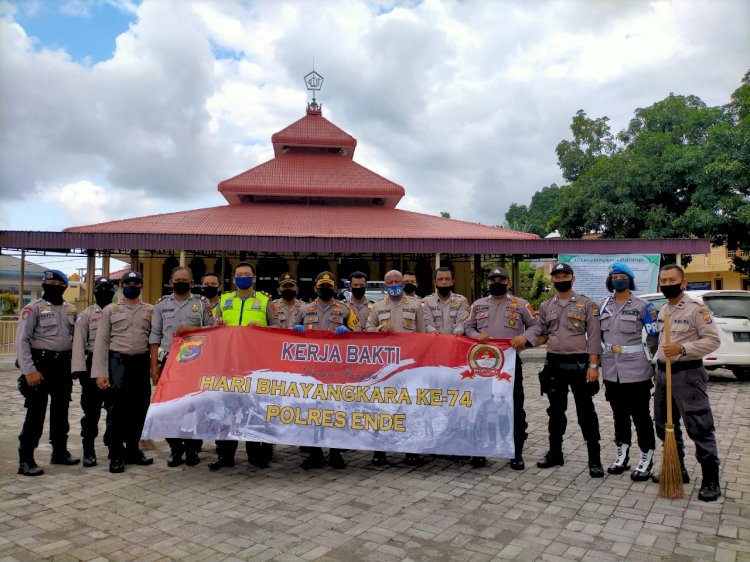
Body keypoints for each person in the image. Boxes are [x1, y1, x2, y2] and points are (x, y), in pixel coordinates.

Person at [511, 262, 604, 478]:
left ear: (573, 278)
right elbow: (543, 333)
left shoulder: (586, 304)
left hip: (579, 364)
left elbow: (595, 337)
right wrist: (526, 343)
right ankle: (555, 453)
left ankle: (595, 459)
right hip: (554, 363)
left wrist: (593, 366)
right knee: (555, 411)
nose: (560, 279)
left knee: (586, 412)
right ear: (551, 280)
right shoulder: (546, 306)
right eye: (557, 276)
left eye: (565, 276)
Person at [653, 264, 722, 502]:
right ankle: (677, 469)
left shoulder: (696, 309)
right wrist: (657, 367)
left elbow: (712, 340)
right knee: (664, 425)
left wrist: (682, 348)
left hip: (688, 375)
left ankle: (711, 480)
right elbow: (661, 344)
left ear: (683, 283)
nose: (667, 284)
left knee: (699, 427)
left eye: (672, 280)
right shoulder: (663, 309)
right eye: (663, 280)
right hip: (663, 375)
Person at [209, 262, 278, 471]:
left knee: (254, 408)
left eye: (247, 275)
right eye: (239, 275)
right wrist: (217, 325)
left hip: (256, 364)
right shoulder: (224, 300)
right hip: (228, 363)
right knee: (226, 409)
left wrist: (263, 329)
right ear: (233, 278)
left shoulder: (265, 301)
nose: (243, 278)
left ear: (254, 278)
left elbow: (278, 328)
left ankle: (257, 454)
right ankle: (225, 455)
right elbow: (213, 327)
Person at [466, 267, 537, 469]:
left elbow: (536, 326)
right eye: (493, 279)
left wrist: (524, 337)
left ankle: (515, 452)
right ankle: (480, 451)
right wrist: (475, 336)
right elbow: (468, 327)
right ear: (487, 283)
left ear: (508, 283)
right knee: (480, 406)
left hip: (510, 365)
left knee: (513, 407)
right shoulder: (478, 305)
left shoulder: (521, 305)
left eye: (501, 279)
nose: (497, 282)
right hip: (482, 366)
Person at [598, 262, 659, 481]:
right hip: (611, 370)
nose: (618, 280)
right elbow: (598, 338)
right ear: (610, 281)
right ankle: (622, 455)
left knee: (641, 416)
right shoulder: (603, 305)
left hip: (637, 370)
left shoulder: (644, 306)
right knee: (619, 415)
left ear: (630, 280)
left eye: (622, 276)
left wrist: (655, 366)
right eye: (614, 277)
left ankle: (646, 457)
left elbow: (654, 338)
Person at [15, 269, 80, 476]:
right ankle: (26, 459)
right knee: (36, 413)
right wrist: (29, 370)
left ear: (64, 287)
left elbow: (76, 340)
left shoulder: (71, 310)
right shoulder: (32, 309)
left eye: (55, 283)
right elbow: (22, 340)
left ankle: (59, 452)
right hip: (40, 366)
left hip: (63, 367)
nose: (50, 286)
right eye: (47, 282)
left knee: (61, 412)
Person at [294, 271, 361, 469]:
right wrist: (296, 331)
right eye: (322, 286)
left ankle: (335, 452)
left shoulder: (344, 309)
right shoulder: (305, 309)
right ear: (315, 288)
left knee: (336, 410)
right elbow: (289, 332)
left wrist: (347, 332)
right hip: (310, 370)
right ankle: (314, 453)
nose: (325, 289)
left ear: (334, 288)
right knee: (312, 411)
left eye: (329, 286)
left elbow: (359, 332)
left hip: (336, 370)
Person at [149, 266, 214, 468]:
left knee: (194, 407)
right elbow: (154, 337)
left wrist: (191, 330)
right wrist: (154, 367)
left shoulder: (201, 304)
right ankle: (175, 449)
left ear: (192, 283)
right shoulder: (161, 305)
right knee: (170, 408)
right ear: (170, 281)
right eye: (177, 280)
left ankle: (192, 449)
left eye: (184, 280)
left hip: (195, 361)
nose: (180, 283)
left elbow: (212, 330)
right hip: (169, 361)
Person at [92, 271, 155, 474]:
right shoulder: (111, 310)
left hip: (141, 364)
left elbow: (155, 340)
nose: (132, 285)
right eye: (128, 282)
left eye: (136, 283)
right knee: (117, 410)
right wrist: (100, 373)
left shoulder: (151, 310)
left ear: (141, 286)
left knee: (140, 408)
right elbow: (101, 344)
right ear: (122, 286)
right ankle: (116, 453)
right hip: (118, 363)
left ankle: (133, 450)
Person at [367, 269, 425, 466]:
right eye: (390, 282)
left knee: (409, 408)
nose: (394, 285)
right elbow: (367, 330)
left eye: (397, 282)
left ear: (403, 283)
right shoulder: (377, 307)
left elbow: (422, 336)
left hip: (409, 368)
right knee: (382, 407)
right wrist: (379, 329)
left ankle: (411, 449)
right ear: (385, 286)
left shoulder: (416, 306)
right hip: (384, 368)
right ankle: (380, 449)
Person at [71, 276, 116, 468]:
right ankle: (88, 449)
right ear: (94, 291)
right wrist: (80, 371)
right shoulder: (86, 315)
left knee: (115, 409)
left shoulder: (118, 311)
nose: (104, 291)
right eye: (100, 288)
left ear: (114, 292)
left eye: (108, 288)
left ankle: (113, 443)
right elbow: (78, 344)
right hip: (91, 368)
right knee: (91, 412)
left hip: (115, 364)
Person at [422, 267, 470, 336]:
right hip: (434, 341)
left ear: (452, 282)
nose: (444, 282)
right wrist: (434, 332)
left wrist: (457, 332)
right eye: (440, 279)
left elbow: (462, 323)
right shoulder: (426, 301)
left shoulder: (461, 300)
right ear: (434, 282)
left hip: (455, 341)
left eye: (447, 279)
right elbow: (427, 324)